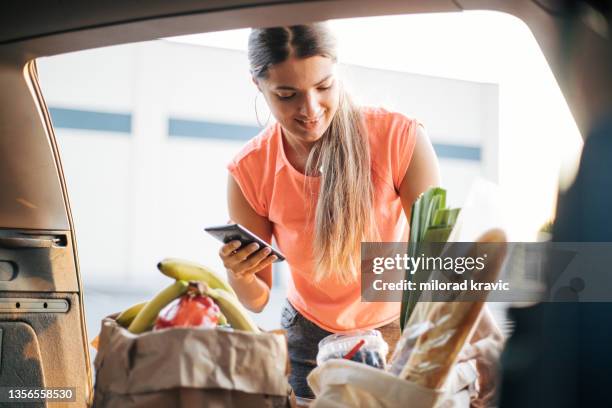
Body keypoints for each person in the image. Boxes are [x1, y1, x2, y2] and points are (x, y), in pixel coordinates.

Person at [218, 22, 443, 400]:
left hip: (397, 328)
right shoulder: (250, 170)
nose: (310, 110)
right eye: (287, 95)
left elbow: (437, 254)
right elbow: (256, 299)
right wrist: (237, 272)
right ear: (258, 85)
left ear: (337, 72)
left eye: (323, 87)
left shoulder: (399, 138)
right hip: (309, 338)